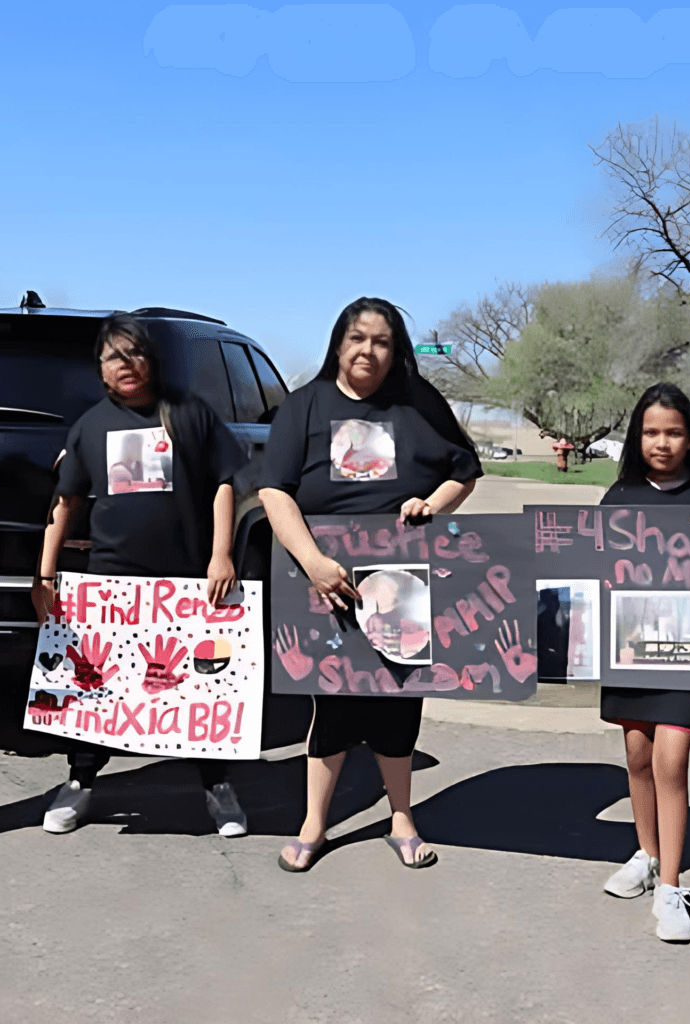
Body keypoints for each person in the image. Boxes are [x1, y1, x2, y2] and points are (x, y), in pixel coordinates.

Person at [258, 297, 482, 871]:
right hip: (323, 581)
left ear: (396, 350)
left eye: (382, 341)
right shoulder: (305, 406)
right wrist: (311, 561)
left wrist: (430, 504)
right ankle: (314, 823)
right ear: (338, 342)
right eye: (358, 338)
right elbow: (275, 491)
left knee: (399, 704)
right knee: (331, 703)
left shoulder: (417, 404)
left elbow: (464, 471)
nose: (368, 350)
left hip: (405, 579)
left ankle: (402, 817)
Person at [31, 314, 251, 838]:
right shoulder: (90, 426)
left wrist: (222, 554)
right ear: (101, 371)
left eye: (134, 354)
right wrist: (45, 574)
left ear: (152, 360)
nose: (125, 365)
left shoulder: (191, 414)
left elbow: (225, 483)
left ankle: (218, 787)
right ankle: (80, 783)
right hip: (111, 583)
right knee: (93, 687)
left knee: (202, 688)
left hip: (186, 581)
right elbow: (65, 503)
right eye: (113, 357)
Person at [598, 382, 690, 942]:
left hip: (688, 654)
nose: (662, 442)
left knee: (671, 760)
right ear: (637, 436)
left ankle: (671, 888)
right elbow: (587, 571)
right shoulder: (619, 495)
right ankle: (647, 854)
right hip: (628, 652)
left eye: (674, 432)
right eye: (651, 431)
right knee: (637, 757)